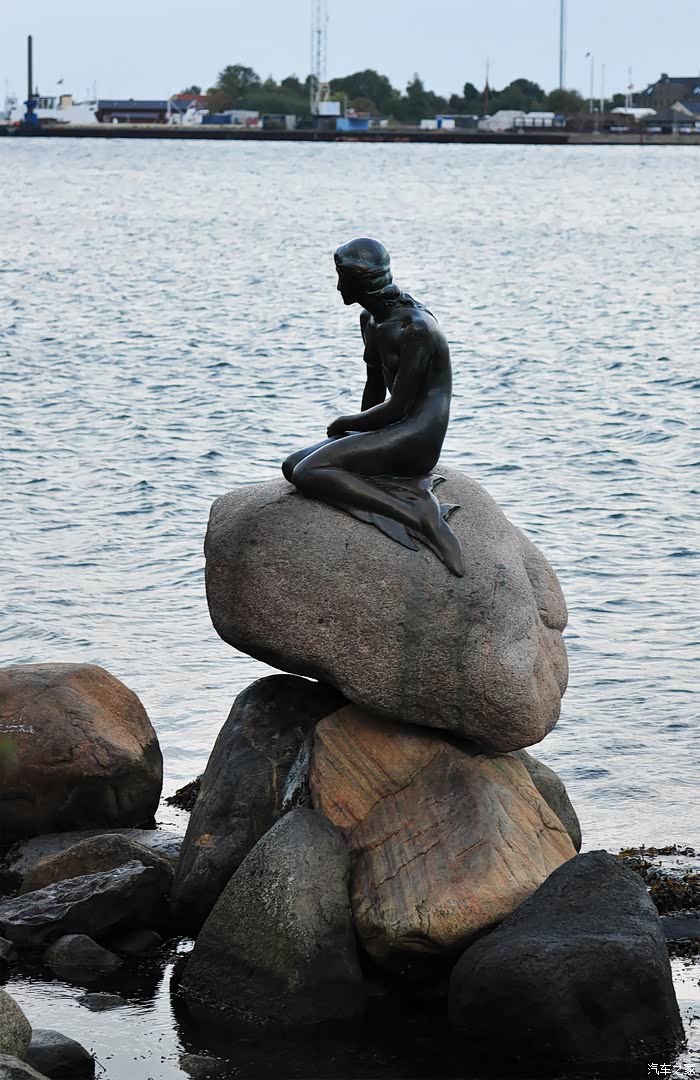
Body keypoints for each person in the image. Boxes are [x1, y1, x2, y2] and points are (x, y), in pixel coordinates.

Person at [282, 237, 463, 577]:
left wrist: (344, 424)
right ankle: (391, 492)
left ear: (361, 282)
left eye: (342, 278)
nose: (338, 287)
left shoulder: (417, 328)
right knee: (292, 466)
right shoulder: (370, 319)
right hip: (392, 428)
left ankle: (418, 515)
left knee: (309, 473)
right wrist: (354, 433)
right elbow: (374, 387)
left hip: (418, 437)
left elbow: (400, 407)